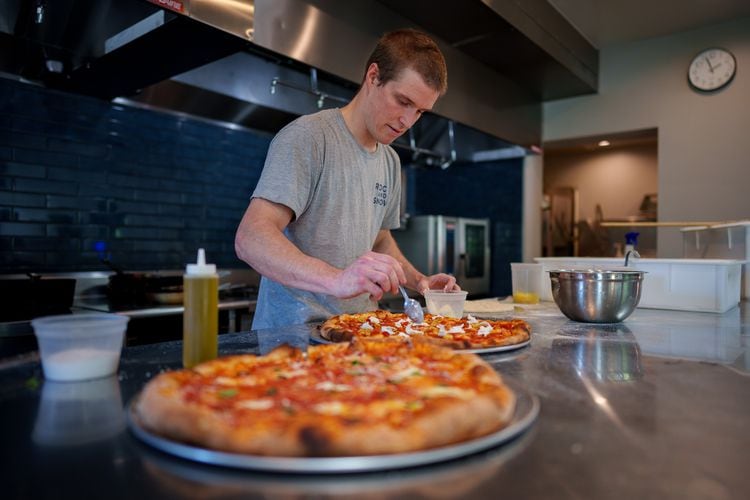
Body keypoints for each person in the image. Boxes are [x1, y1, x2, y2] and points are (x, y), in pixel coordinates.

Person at [235, 28, 459, 329]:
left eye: (420, 111)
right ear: (373, 76)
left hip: (362, 331)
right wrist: (337, 280)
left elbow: (379, 239)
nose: (408, 122)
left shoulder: (390, 161)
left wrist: (421, 282)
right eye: (403, 101)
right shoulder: (309, 137)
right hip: (294, 341)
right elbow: (251, 238)